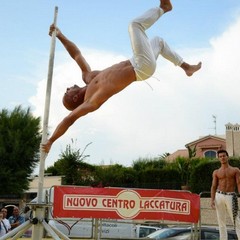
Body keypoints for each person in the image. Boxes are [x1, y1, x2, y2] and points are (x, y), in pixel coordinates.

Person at [42, 0, 201, 154]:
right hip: (140, 68)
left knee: (158, 41)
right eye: (67, 92)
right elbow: (68, 120)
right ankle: (164, 7)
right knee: (134, 25)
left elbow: (76, 55)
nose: (68, 88)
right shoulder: (91, 102)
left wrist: (60, 35)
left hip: (136, 62)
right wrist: (51, 141)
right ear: (75, 98)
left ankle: (186, 67)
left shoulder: (89, 77)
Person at [211, 149, 240, 239]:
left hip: (231, 196)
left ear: (227, 157)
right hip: (219, 196)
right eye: (220, 156)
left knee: (236, 220)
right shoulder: (216, 172)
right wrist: (212, 200)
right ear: (218, 158)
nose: (222, 158)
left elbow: (239, 183)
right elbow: (213, 186)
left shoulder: (235, 170)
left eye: (224, 156)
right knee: (221, 221)